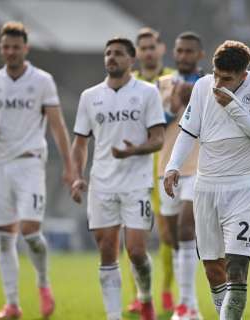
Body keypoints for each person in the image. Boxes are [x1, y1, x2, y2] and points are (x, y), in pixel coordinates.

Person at [164, 40, 250, 320]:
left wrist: (234, 107)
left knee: (237, 268)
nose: (219, 83)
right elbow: (188, 131)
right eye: (216, 75)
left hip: (243, 187)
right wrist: (173, 166)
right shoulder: (203, 86)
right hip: (206, 187)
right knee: (212, 269)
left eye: (227, 79)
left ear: (243, 74)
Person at [0, 21, 73, 319]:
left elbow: (57, 125)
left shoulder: (42, 80)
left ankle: (43, 284)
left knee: (29, 232)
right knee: (4, 237)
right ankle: (12, 304)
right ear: (1, 48)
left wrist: (69, 167)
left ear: (25, 49)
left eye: (16, 47)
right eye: (6, 46)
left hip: (30, 162)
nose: (11, 51)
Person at [70, 37, 165, 320]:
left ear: (131, 60)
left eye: (118, 54)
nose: (111, 58)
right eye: (108, 53)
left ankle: (145, 298)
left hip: (136, 182)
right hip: (102, 183)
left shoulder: (148, 93)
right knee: (107, 252)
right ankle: (114, 316)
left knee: (136, 251)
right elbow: (80, 143)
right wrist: (77, 177)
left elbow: (158, 138)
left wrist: (134, 151)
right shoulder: (90, 96)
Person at [156, 31, 205, 320]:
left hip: (198, 167)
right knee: (172, 237)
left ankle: (187, 303)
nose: (183, 55)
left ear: (199, 55)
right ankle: (186, 305)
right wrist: (173, 104)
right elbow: (155, 125)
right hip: (168, 168)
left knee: (188, 229)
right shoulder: (163, 84)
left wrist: (190, 102)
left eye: (189, 51)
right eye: (180, 50)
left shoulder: (208, 85)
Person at [128, 27, 176, 314]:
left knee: (168, 234)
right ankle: (138, 293)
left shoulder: (173, 79)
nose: (147, 52)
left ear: (161, 49)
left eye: (151, 46)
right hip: (134, 167)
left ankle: (167, 290)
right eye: (142, 47)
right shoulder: (127, 82)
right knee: (133, 234)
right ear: (136, 52)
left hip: (164, 165)